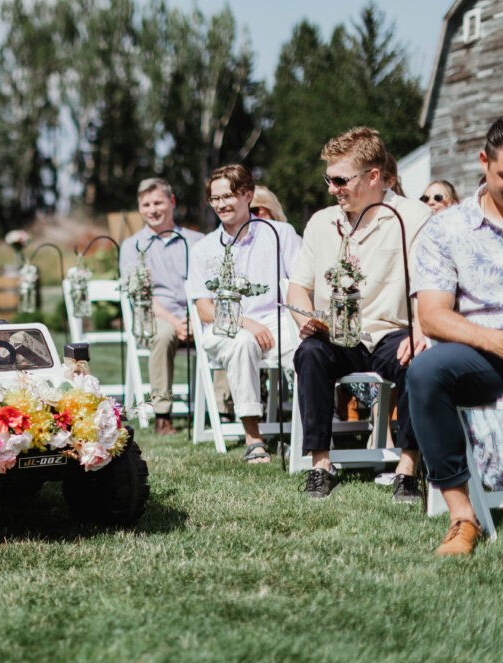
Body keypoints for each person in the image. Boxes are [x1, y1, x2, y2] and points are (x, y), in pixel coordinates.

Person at [287, 127, 432, 500]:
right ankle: (321, 466)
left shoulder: (412, 216)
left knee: (420, 361)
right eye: (328, 179)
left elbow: (426, 285)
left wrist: (422, 331)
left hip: (391, 331)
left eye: (340, 180)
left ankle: (407, 469)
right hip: (337, 334)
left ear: (373, 176)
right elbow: (297, 285)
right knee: (309, 353)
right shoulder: (321, 222)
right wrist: (305, 320)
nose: (332, 188)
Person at [407, 117, 503, 555]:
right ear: (484, 162)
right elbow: (432, 316)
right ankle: (463, 518)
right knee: (426, 372)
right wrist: (493, 339)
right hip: (481, 353)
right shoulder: (447, 229)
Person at [187, 164, 302, 463]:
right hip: (227, 327)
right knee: (242, 342)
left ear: (248, 195)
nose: (222, 204)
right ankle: (254, 437)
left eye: (229, 195)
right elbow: (204, 309)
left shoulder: (282, 234)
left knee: (309, 349)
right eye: (215, 198)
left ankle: (309, 434)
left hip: (277, 322)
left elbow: (300, 285)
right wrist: (245, 323)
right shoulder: (203, 248)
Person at [119, 178, 203, 434]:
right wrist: (177, 323)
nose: (152, 209)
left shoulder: (197, 240)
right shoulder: (132, 246)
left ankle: (224, 407)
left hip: (196, 312)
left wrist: (193, 317)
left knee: (220, 328)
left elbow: (207, 287)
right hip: (156, 316)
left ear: (172, 202)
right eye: (145, 204)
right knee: (164, 333)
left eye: (158, 202)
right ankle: (162, 414)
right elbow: (141, 297)